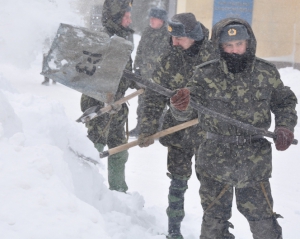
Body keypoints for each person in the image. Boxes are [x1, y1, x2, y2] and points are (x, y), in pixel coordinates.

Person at [169, 17, 298, 238]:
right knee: (213, 224)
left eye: (239, 44)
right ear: (219, 47)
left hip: (254, 162)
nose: (235, 50)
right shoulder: (205, 74)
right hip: (214, 161)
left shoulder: (265, 73)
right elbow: (187, 111)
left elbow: (284, 102)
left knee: (264, 224)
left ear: (249, 43)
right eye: (229, 46)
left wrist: (285, 127)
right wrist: (180, 105)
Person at [138, 13, 217, 239]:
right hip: (178, 134)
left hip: (208, 136)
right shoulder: (170, 57)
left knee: (212, 188)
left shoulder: (214, 58)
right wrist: (147, 128)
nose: (173, 43)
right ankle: (174, 230)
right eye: (172, 38)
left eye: (178, 38)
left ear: (192, 36)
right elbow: (154, 96)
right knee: (178, 182)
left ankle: (214, 231)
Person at [80, 0, 138, 193]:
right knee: (94, 150)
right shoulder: (103, 40)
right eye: (126, 15)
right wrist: (106, 98)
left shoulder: (123, 38)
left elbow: (122, 75)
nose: (130, 19)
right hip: (99, 108)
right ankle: (85, 189)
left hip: (117, 108)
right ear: (115, 17)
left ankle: (119, 191)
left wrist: (136, 80)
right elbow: (90, 75)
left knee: (119, 151)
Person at [129, 7, 170, 137]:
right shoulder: (147, 32)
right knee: (142, 102)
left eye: (154, 18)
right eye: (151, 18)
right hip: (145, 75)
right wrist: (137, 69)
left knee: (158, 104)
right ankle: (140, 126)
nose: (151, 20)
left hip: (159, 77)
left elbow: (169, 58)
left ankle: (158, 128)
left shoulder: (168, 36)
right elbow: (140, 52)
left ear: (162, 21)